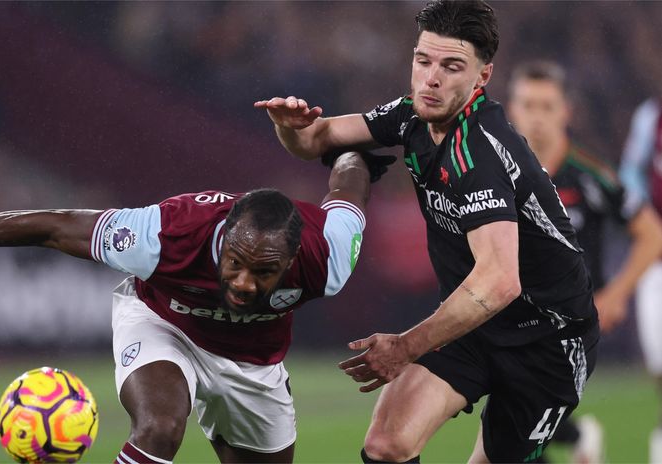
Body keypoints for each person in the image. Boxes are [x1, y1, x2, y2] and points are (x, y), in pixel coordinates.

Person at [0, 150, 394, 464]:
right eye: (235, 262)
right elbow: (51, 225)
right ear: (223, 237)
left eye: (264, 272)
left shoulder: (328, 259)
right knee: (160, 427)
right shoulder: (166, 232)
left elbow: (347, 191)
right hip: (162, 324)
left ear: (294, 257)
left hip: (253, 364)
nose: (244, 283)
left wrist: (351, 152)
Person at [255, 1, 599, 462]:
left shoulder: (479, 153)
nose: (431, 78)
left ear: (482, 77)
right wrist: (290, 128)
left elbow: (500, 280)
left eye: (451, 66)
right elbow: (316, 139)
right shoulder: (411, 115)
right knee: (386, 445)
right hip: (474, 321)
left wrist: (404, 346)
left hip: (548, 339)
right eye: (423, 61)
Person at [507, 60, 662, 463]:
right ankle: (578, 436)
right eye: (528, 105)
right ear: (512, 110)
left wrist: (617, 293)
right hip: (516, 309)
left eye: (547, 106)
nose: (537, 117)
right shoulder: (499, 175)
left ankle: (574, 435)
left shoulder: (589, 175)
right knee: (516, 420)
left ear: (566, 112)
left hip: (571, 319)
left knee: (519, 412)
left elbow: (651, 233)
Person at [620, 94, 662, 464]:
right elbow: (631, 171)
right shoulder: (652, 116)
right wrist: (647, 217)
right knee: (659, 358)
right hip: (659, 259)